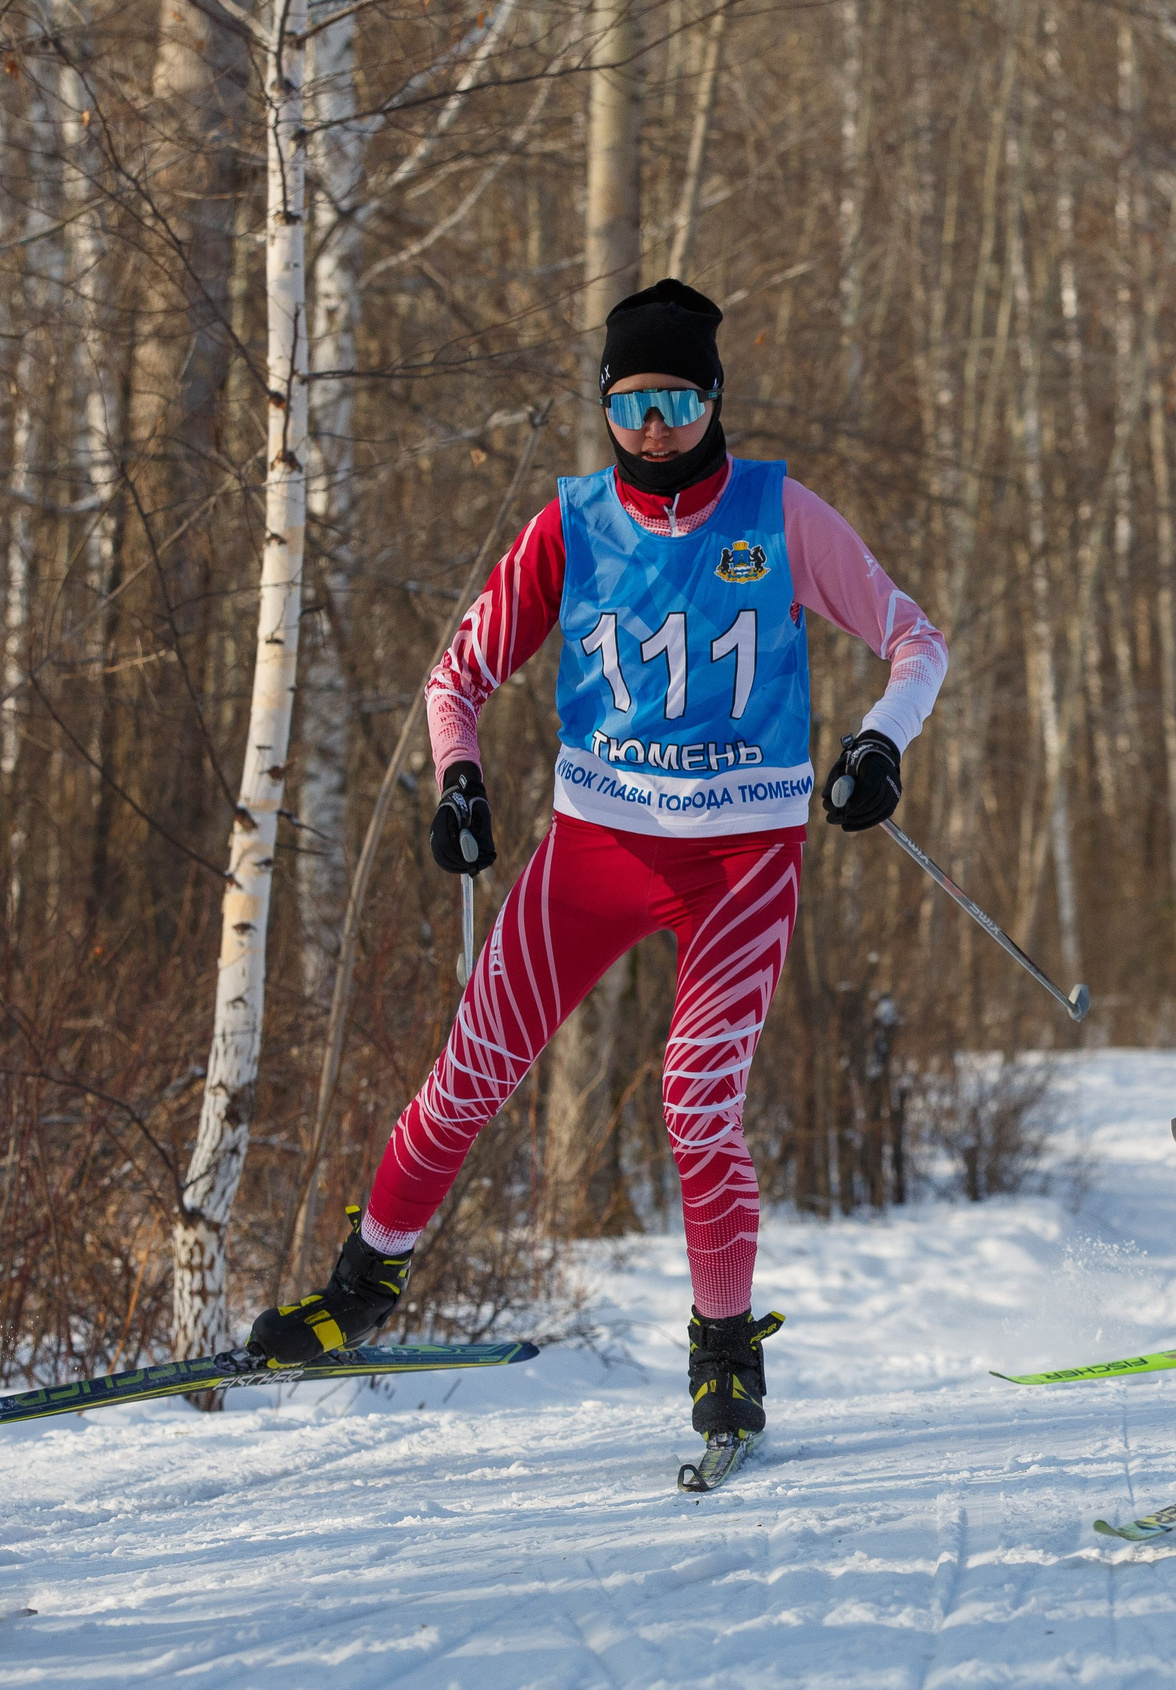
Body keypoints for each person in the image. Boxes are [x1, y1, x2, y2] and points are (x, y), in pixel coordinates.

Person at [252, 280, 949, 1447]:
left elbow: (914, 639)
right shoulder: (571, 523)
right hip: (599, 846)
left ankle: (724, 1351)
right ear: (606, 411)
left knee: (694, 1103)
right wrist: (457, 778)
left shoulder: (780, 515)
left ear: (715, 397)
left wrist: (881, 742)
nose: (656, 428)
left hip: (739, 859)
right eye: (631, 406)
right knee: (472, 1067)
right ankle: (363, 1285)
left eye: (677, 400)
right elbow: (454, 679)